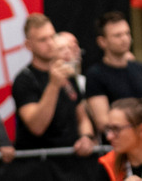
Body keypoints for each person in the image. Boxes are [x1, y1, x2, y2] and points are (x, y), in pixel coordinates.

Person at [11, 14, 96, 154]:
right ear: (28, 45)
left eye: (52, 36)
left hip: (72, 157)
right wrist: (53, 85)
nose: (50, 43)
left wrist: (86, 137)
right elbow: (37, 127)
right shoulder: (24, 80)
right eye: (42, 40)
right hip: (41, 160)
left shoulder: (67, 73)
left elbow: (82, 117)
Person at [85, 12, 142, 136]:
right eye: (117, 35)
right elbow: (102, 121)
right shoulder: (95, 74)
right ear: (102, 41)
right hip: (118, 142)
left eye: (127, 33)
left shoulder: (141, 69)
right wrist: (135, 138)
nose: (125, 39)